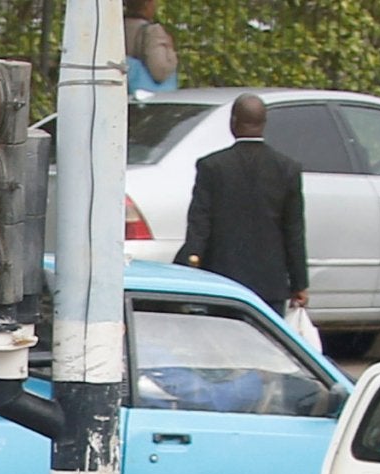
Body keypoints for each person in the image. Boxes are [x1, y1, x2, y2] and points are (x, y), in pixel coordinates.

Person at [179, 94, 308, 315]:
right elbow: (293, 231)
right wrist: (299, 283)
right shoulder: (287, 168)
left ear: (233, 122)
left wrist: (187, 270)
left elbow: (200, 225)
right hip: (270, 285)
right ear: (264, 124)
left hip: (222, 280)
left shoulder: (212, 167)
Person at [124, 0, 180, 92]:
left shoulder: (117, 27)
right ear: (147, 4)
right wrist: (169, 49)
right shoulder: (153, 32)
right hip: (149, 98)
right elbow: (160, 72)